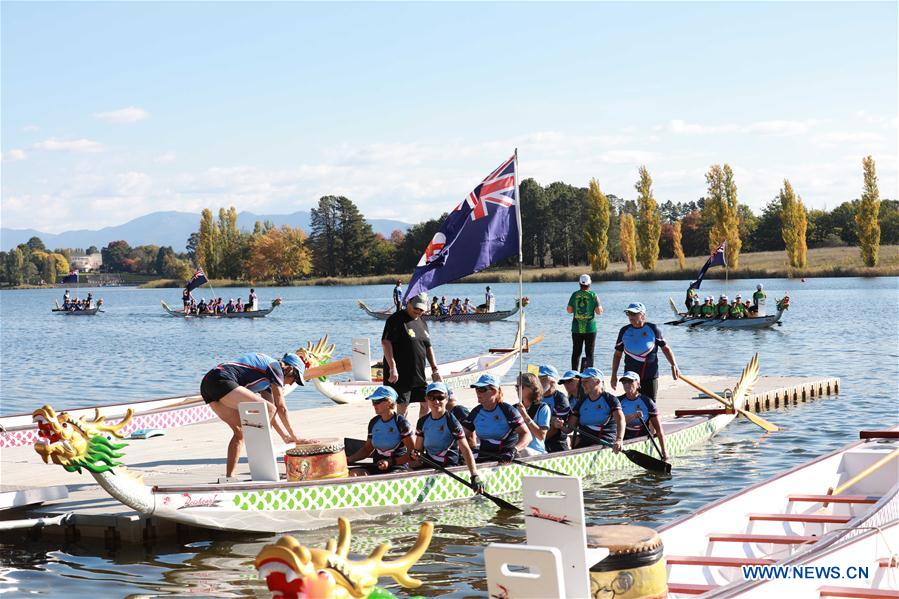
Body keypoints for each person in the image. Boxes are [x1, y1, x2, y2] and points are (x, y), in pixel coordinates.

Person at [200, 351, 305, 479]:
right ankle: (266, 468)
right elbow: (280, 407)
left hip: (207, 384)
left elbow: (271, 417)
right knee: (269, 408)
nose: (290, 384)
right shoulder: (276, 368)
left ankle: (229, 478)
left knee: (240, 433)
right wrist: (295, 436)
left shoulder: (266, 381)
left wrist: (285, 437)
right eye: (295, 379)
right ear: (289, 369)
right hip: (220, 379)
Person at [411, 382, 482, 492]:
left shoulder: (452, 421)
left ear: (446, 398)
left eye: (440, 397)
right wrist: (416, 454)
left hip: (448, 465)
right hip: (429, 462)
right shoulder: (422, 421)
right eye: (431, 398)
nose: (436, 401)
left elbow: (465, 449)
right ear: (426, 399)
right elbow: (418, 449)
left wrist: (474, 475)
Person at [381, 292, 441, 421]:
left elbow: (428, 347)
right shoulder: (395, 319)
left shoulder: (422, 322)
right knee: (403, 407)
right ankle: (403, 436)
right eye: (416, 308)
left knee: (426, 403)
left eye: (422, 309)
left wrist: (435, 369)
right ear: (408, 303)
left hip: (418, 374)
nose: (419, 312)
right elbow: (386, 342)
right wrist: (392, 367)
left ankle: (421, 433)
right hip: (400, 374)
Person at [610, 302, 679, 401]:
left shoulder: (653, 329)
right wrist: (614, 375)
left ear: (642, 314)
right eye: (628, 313)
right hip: (630, 375)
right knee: (632, 402)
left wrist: (674, 365)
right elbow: (617, 355)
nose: (630, 316)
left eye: (634, 314)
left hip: (650, 374)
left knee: (650, 404)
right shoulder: (624, 331)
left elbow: (665, 349)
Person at [462, 374, 531, 463]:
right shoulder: (476, 412)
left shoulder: (508, 411)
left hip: (506, 460)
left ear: (494, 391)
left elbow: (527, 435)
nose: (478, 393)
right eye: (477, 389)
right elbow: (461, 436)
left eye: (482, 389)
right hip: (483, 459)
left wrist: (514, 450)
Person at [346, 386, 415, 474]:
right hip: (377, 465)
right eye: (373, 401)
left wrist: (390, 462)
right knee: (353, 474)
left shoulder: (401, 423)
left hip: (397, 467)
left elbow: (412, 452)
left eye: (377, 402)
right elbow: (367, 449)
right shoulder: (374, 422)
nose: (373, 405)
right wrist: (349, 459)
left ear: (388, 402)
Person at [565, 367, 624, 450]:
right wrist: (559, 425)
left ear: (598, 382)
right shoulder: (582, 402)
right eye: (582, 382)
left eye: (586, 381)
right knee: (566, 441)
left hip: (605, 440)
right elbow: (568, 429)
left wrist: (619, 440)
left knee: (588, 448)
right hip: (585, 440)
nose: (583, 385)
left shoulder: (610, 400)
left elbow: (620, 420)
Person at [617, 371, 667, 461]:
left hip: (642, 434)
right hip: (624, 435)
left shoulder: (647, 402)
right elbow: (614, 423)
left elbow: (659, 431)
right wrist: (632, 416)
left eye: (630, 381)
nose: (627, 384)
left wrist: (664, 452)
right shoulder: (618, 401)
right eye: (624, 382)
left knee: (654, 423)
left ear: (638, 384)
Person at [566, 274, 603, 370]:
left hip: (576, 328)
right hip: (590, 328)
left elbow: (569, 310)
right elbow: (599, 312)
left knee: (576, 352)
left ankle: (574, 373)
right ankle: (589, 374)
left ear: (579, 283)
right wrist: (598, 304)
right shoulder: (593, 295)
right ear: (590, 283)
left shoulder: (574, 295)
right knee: (589, 352)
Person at [514, 372, 551, 456]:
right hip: (518, 447)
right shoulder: (514, 408)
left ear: (532, 388)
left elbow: (541, 436)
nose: (517, 389)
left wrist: (525, 415)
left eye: (520, 387)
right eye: (516, 387)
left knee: (525, 451)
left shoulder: (542, 408)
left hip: (535, 451)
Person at [537, 365, 571, 452]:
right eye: (537, 378)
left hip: (556, 442)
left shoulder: (560, 399)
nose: (538, 382)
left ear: (552, 381)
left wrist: (538, 440)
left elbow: (555, 429)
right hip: (538, 437)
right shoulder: (536, 397)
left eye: (541, 379)